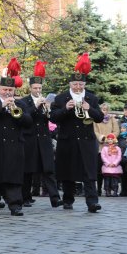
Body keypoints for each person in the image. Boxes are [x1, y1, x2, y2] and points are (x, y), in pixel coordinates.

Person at [49, 53, 104, 213]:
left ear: (84, 84)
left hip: (87, 140)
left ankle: (92, 202)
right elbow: (53, 117)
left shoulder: (91, 98)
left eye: (81, 84)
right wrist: (65, 109)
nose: (78, 87)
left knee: (89, 172)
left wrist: (90, 109)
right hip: (67, 140)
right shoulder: (60, 98)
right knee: (68, 171)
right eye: (75, 84)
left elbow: (100, 118)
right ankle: (68, 199)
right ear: (70, 84)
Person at [0, 64, 32, 217]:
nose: (8, 92)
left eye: (10, 90)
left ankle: (15, 205)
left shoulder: (20, 104)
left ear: (14, 91)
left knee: (13, 176)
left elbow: (28, 122)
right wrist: (2, 106)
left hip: (14, 145)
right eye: (5, 90)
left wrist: (17, 112)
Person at [21, 61, 63, 208]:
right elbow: (25, 118)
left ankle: (55, 198)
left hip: (44, 139)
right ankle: (25, 197)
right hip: (29, 139)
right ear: (30, 88)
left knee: (48, 169)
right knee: (27, 170)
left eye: (39, 88)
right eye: (35, 88)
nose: (38, 90)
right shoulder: (24, 102)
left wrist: (48, 108)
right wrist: (36, 105)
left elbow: (50, 119)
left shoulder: (46, 101)